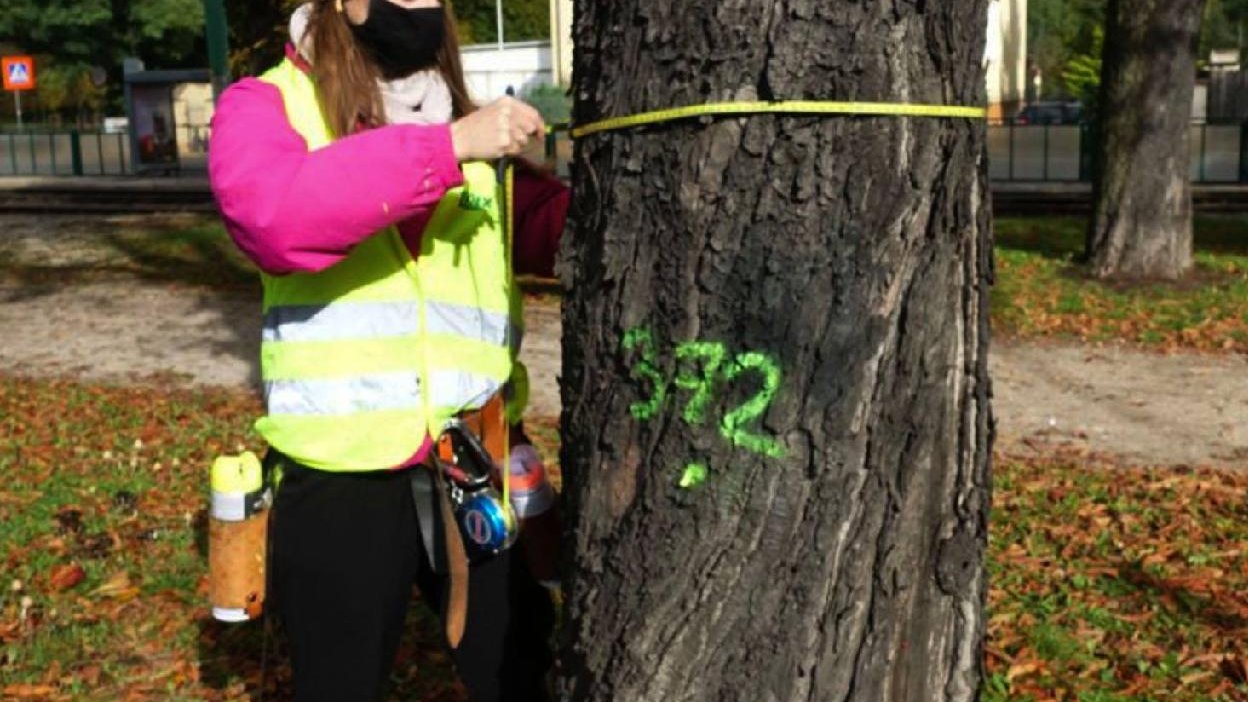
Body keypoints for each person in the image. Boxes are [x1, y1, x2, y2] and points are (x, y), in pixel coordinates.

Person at [207, 0, 569, 699]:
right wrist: (445, 149)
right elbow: (274, 217)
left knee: (523, 672)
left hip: (474, 456)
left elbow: (550, 226)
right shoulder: (266, 104)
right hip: (340, 475)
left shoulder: (468, 125)